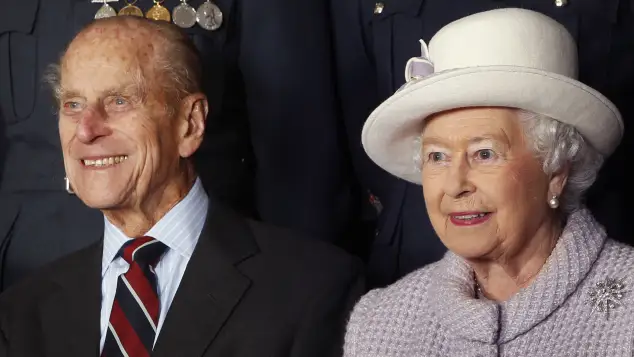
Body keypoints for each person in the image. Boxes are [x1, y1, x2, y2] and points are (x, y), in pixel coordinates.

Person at [0, 17, 364, 357]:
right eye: (73, 104)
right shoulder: (20, 312)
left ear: (190, 124)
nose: (85, 129)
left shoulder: (311, 289)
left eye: (119, 101)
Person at [344, 9, 634, 356]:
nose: (455, 185)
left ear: (558, 170)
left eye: (484, 154)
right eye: (438, 157)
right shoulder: (379, 323)